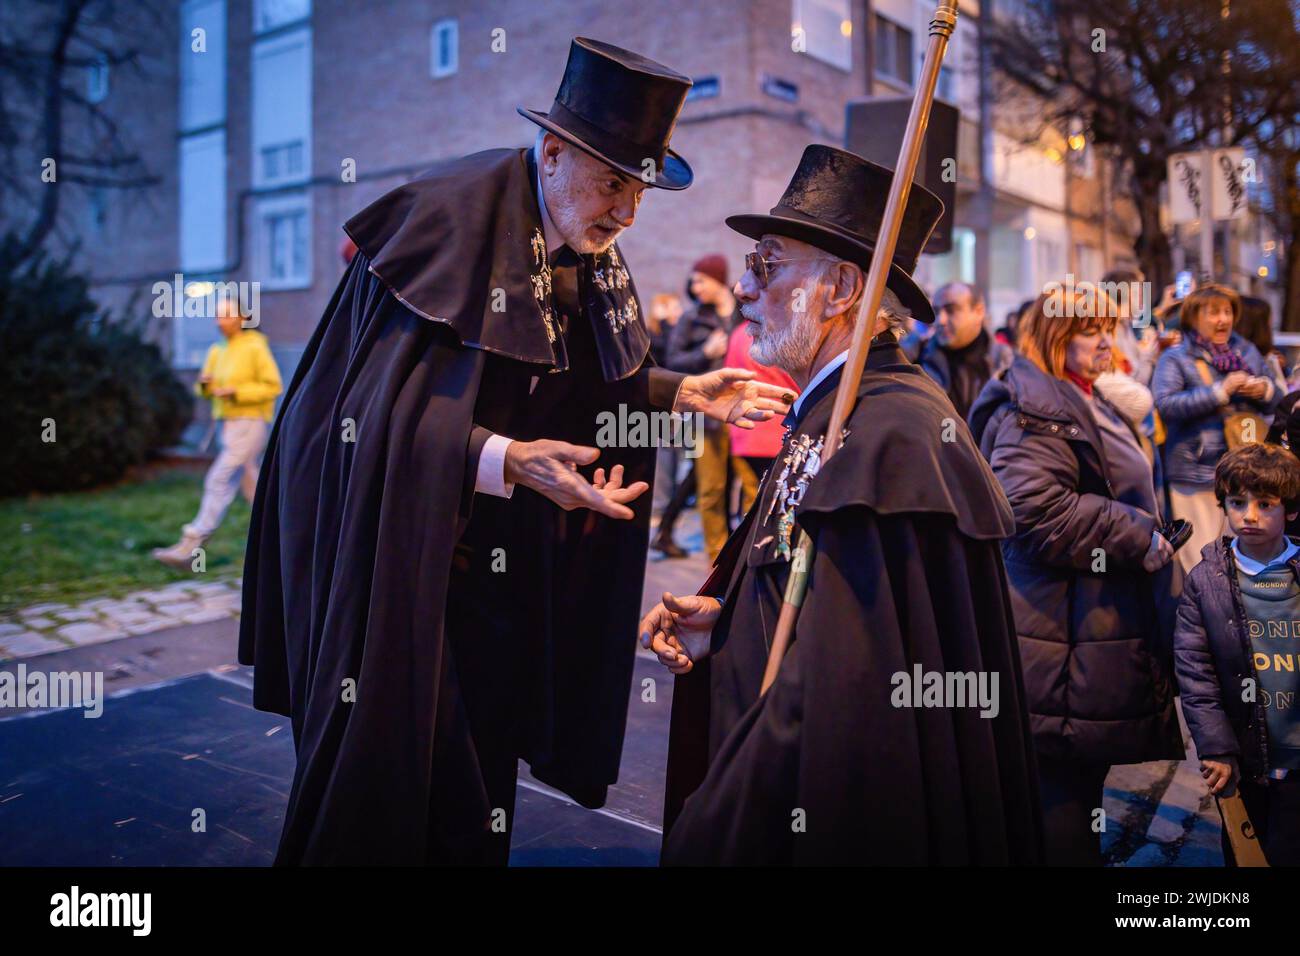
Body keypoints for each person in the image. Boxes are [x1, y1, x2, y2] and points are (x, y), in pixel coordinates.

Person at [238, 38, 792, 866]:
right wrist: (503, 458)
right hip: (396, 565)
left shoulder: (577, 249)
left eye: (639, 192)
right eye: (614, 184)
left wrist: (682, 392)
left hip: (493, 582)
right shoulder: (443, 220)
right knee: (383, 784)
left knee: (477, 788)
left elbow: (582, 382)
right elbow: (355, 423)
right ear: (556, 152)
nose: (627, 214)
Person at [645, 145, 1043, 865]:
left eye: (767, 265)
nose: (743, 288)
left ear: (839, 289)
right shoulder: (835, 410)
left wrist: (728, 812)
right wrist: (729, 623)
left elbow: (851, 683)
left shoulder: (893, 434)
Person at [968, 287, 1186, 866]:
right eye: (1092, 331)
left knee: (1077, 791)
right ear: (1055, 335)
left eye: (1109, 331)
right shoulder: (1034, 407)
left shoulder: (1082, 396)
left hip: (1088, 626)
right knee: (1063, 794)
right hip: (1058, 632)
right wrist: (1137, 534)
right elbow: (1033, 510)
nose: (1106, 344)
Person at [1174, 442, 1300, 866]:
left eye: (1265, 504)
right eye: (1237, 502)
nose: (1249, 515)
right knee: (1249, 854)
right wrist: (1215, 747)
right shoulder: (1205, 580)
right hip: (1248, 758)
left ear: (1291, 510)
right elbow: (1196, 672)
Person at [1153, 283, 1281, 573]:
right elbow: (1165, 404)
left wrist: (1264, 390)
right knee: (1198, 562)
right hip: (1195, 472)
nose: (1222, 319)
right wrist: (1219, 392)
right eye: (1213, 313)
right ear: (1193, 317)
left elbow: (1276, 401)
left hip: (1243, 471)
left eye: (1227, 312)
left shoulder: (1245, 350)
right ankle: (1197, 617)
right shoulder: (1176, 357)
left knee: (1238, 564)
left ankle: (1232, 617)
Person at [153, 298, 282, 569]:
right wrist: (204, 386)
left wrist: (237, 392)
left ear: (242, 318)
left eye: (225, 315)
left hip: (251, 423)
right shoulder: (217, 350)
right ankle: (287, 536)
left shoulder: (255, 345)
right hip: (227, 425)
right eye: (217, 316)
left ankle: (194, 540)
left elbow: (273, 386)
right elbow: (204, 387)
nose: (219, 321)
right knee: (254, 488)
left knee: (219, 478)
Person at [654, 255, 738, 560]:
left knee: (738, 487)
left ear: (718, 279)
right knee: (710, 488)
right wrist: (706, 352)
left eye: (701, 280)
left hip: (745, 413)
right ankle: (718, 557)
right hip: (708, 413)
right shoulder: (692, 318)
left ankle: (738, 553)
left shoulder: (742, 314)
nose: (694, 286)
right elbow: (674, 362)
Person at [722, 315, 797, 519]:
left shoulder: (739, 334)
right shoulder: (781, 332)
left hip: (744, 431)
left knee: (752, 497)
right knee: (778, 502)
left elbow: (729, 377)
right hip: (777, 428)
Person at [918, 281, 1012, 419]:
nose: (940, 320)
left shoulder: (1007, 363)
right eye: (936, 312)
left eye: (951, 310)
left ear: (979, 311)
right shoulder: (917, 359)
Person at [647, 293, 684, 513]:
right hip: (661, 406)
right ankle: (661, 505)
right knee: (664, 455)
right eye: (673, 306)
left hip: (678, 403)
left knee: (677, 454)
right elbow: (665, 355)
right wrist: (663, 322)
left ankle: (669, 502)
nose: (677, 311)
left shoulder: (677, 330)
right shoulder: (653, 332)